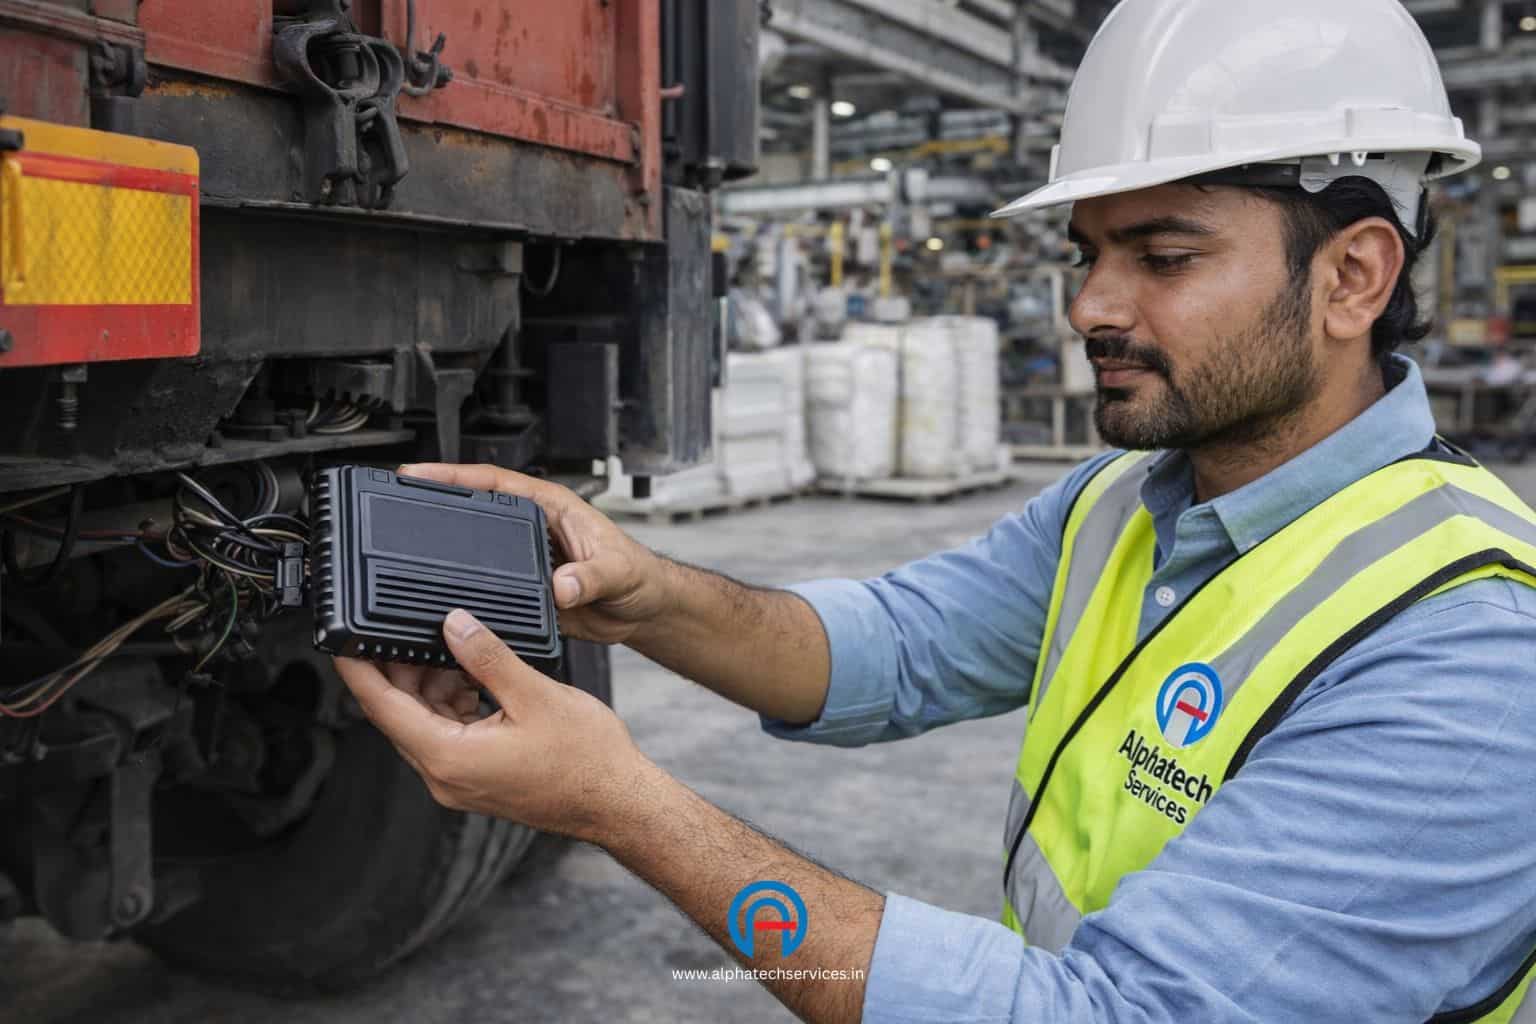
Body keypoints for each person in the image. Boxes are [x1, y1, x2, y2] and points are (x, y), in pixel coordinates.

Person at [332, 0, 1536, 1019]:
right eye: (1088, 254)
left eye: (1163, 256)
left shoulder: (1467, 652)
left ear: (1353, 276)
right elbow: (894, 647)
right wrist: (643, 593)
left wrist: (623, 805)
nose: (1090, 309)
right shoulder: (1125, 503)